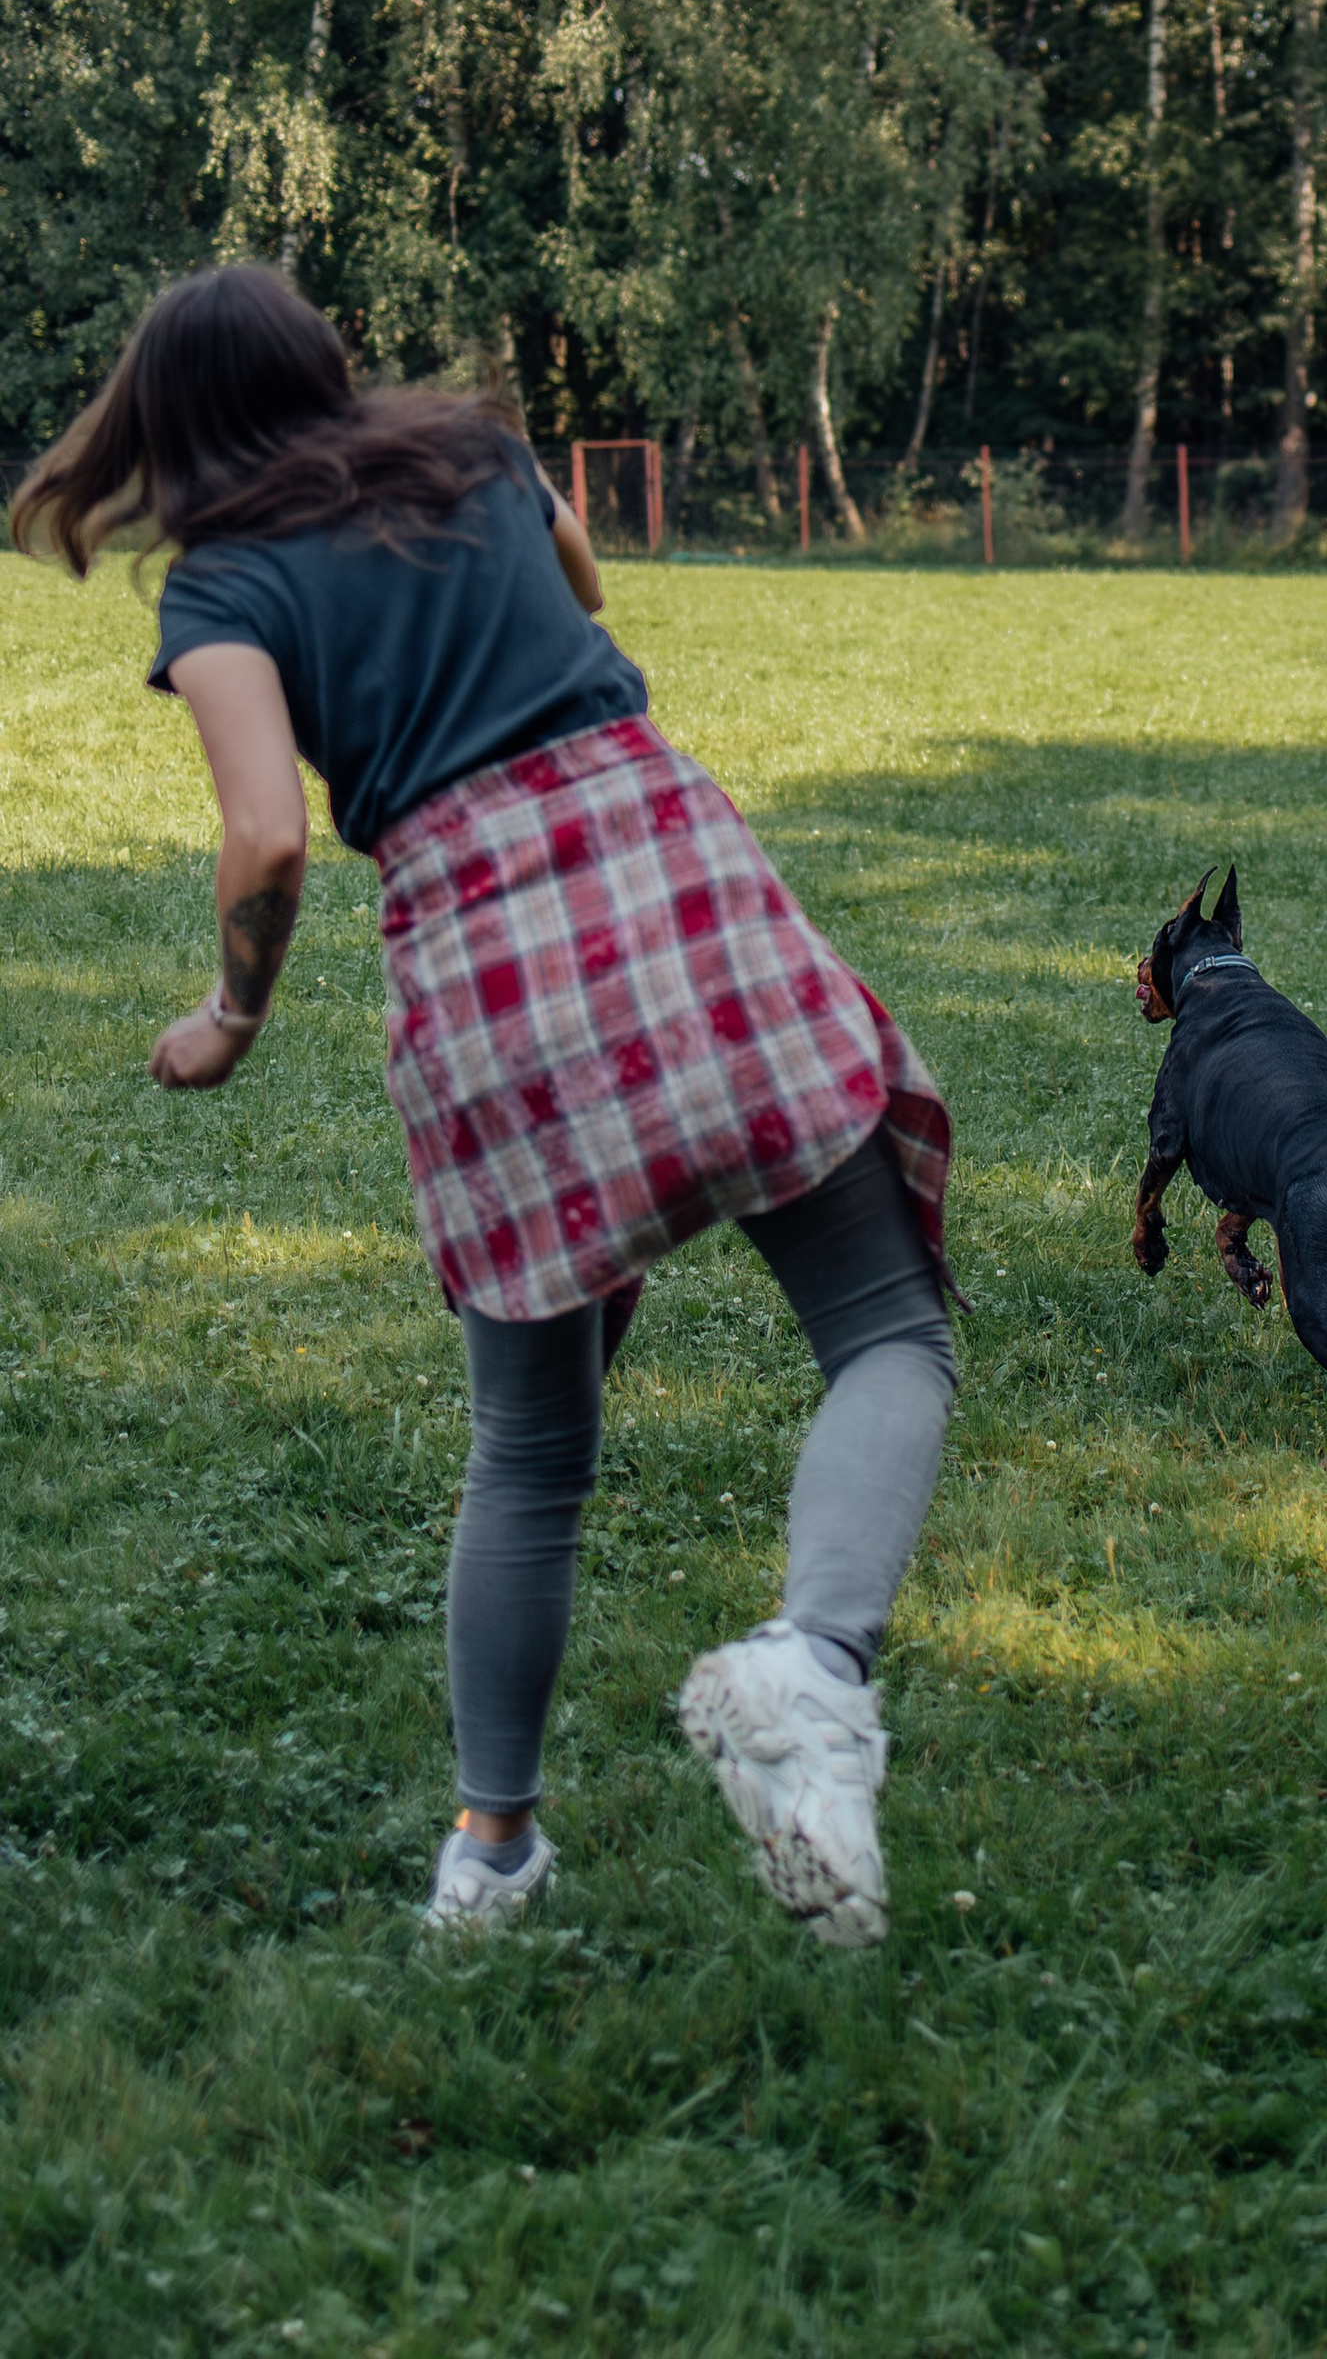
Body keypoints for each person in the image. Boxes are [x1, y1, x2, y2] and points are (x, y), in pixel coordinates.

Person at [10, 262, 958, 1944]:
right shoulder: (476, 452)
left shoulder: (223, 588)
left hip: (484, 957)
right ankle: (814, 1665)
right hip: (665, 872)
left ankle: (493, 1856)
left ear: (165, 419)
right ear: (325, 365)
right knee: (885, 1325)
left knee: (530, 1449)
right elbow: (592, 601)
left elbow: (270, 834)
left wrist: (232, 1015)